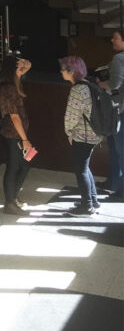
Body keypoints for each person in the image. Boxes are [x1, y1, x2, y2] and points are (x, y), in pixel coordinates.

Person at [59, 56, 100, 216]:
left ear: (71, 71)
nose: (61, 72)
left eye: (63, 69)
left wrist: (69, 133)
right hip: (94, 134)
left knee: (80, 169)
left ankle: (86, 206)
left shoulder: (77, 90)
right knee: (85, 167)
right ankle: (93, 201)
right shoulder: (88, 84)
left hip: (82, 136)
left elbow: (71, 116)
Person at [0, 53, 33, 215]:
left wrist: (22, 62)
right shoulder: (8, 88)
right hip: (13, 134)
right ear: (12, 70)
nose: (22, 70)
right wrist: (24, 139)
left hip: (17, 133)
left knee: (23, 165)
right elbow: (14, 116)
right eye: (18, 68)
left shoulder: (13, 82)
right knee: (15, 167)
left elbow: (28, 65)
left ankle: (12, 197)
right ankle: (10, 202)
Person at [99, 29, 124, 199]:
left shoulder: (118, 58)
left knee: (118, 149)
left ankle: (118, 187)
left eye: (115, 38)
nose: (112, 40)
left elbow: (114, 84)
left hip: (119, 109)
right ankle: (114, 183)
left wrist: (100, 83)